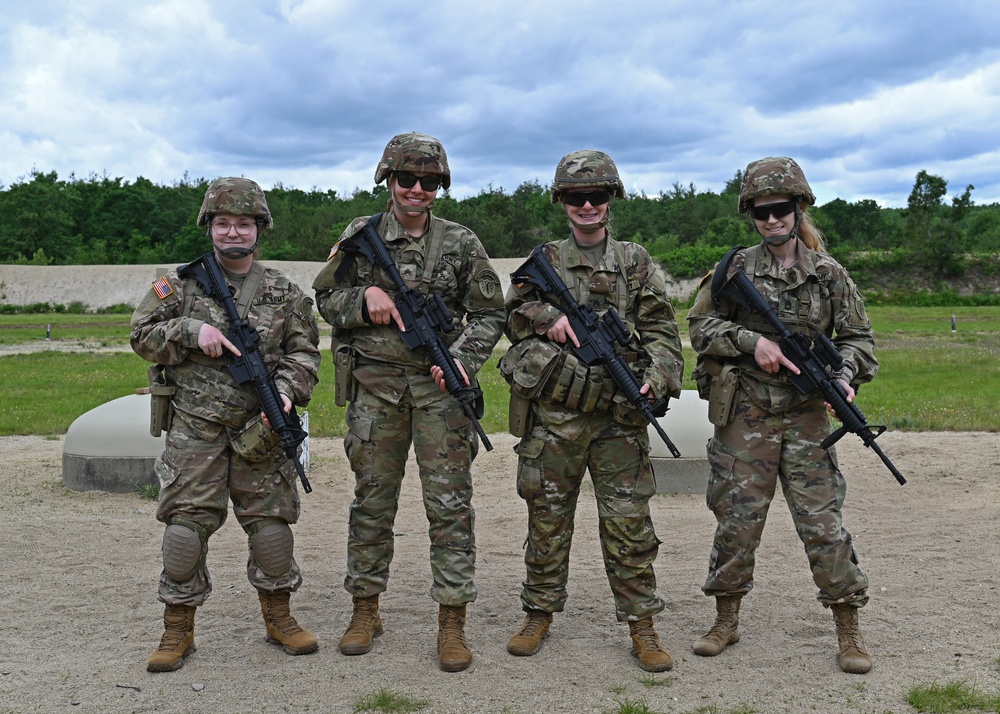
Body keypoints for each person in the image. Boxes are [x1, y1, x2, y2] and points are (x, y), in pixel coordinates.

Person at [312, 132, 505, 672]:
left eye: (428, 181)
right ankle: (365, 610)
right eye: (406, 179)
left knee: (450, 508)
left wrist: (462, 358)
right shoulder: (361, 236)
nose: (416, 190)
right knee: (372, 503)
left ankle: (451, 622)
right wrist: (364, 297)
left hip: (441, 392)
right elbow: (325, 299)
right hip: (376, 391)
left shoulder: (461, 243)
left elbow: (493, 312)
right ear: (388, 180)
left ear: (440, 185)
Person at [687, 157, 878, 674]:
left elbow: (859, 340)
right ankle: (725, 621)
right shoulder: (733, 272)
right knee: (736, 522)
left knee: (823, 524)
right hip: (745, 413)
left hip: (808, 416)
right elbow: (700, 328)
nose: (771, 220)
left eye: (780, 210)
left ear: (799, 209)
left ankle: (848, 626)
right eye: (761, 212)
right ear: (751, 214)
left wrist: (844, 375)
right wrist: (753, 343)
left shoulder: (829, 274)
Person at [501, 150, 684, 672]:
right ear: (562, 203)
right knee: (547, 520)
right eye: (577, 197)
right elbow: (510, 314)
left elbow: (664, 335)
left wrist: (655, 379)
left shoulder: (635, 261)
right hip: (556, 418)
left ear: (610, 201)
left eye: (596, 197)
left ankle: (642, 624)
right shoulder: (546, 260)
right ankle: (538, 613)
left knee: (628, 523)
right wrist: (548, 316)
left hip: (619, 420)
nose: (587, 205)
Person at [131, 177, 321, 672]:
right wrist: (193, 331)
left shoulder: (285, 292)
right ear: (209, 227)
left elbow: (304, 352)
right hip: (196, 428)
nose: (233, 233)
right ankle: (177, 629)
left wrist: (284, 391)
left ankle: (279, 618)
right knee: (185, 532)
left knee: (272, 529)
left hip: (261, 427)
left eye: (243, 224)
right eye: (223, 223)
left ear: (260, 228)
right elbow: (141, 336)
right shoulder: (177, 286)